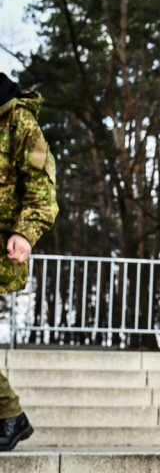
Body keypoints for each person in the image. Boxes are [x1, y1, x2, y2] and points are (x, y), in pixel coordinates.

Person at [0, 72, 58, 453]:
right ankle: (10, 415)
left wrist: (25, 232)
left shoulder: (19, 121)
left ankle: (10, 414)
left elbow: (42, 190)